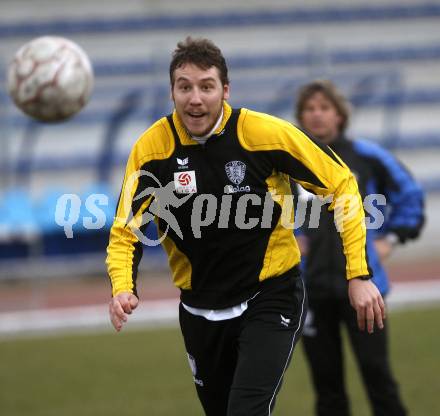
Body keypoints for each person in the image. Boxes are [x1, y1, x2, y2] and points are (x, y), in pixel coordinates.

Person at [106, 37, 385, 416]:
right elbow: (126, 230)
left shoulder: (263, 134)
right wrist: (123, 286)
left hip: (271, 297)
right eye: (184, 86)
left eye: (206, 86)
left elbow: (342, 185)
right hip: (199, 309)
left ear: (225, 90)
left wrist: (359, 274)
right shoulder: (152, 150)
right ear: (171, 91)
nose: (195, 98)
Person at [294, 80, 424, 416]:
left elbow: (410, 195)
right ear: (300, 116)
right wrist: (286, 238)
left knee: (377, 376)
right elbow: (267, 208)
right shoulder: (289, 159)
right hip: (311, 290)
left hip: (365, 287)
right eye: (309, 109)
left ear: (339, 114)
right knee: (327, 387)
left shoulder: (367, 156)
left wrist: (391, 239)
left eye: (325, 108)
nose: (317, 115)